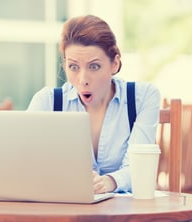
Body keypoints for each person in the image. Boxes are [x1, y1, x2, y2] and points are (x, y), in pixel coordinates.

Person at [27, 15, 160, 194]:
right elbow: (28, 165)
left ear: (115, 63)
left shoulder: (143, 97)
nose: (83, 80)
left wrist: (109, 182)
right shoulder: (46, 101)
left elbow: (139, 168)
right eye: (73, 67)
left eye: (94, 66)